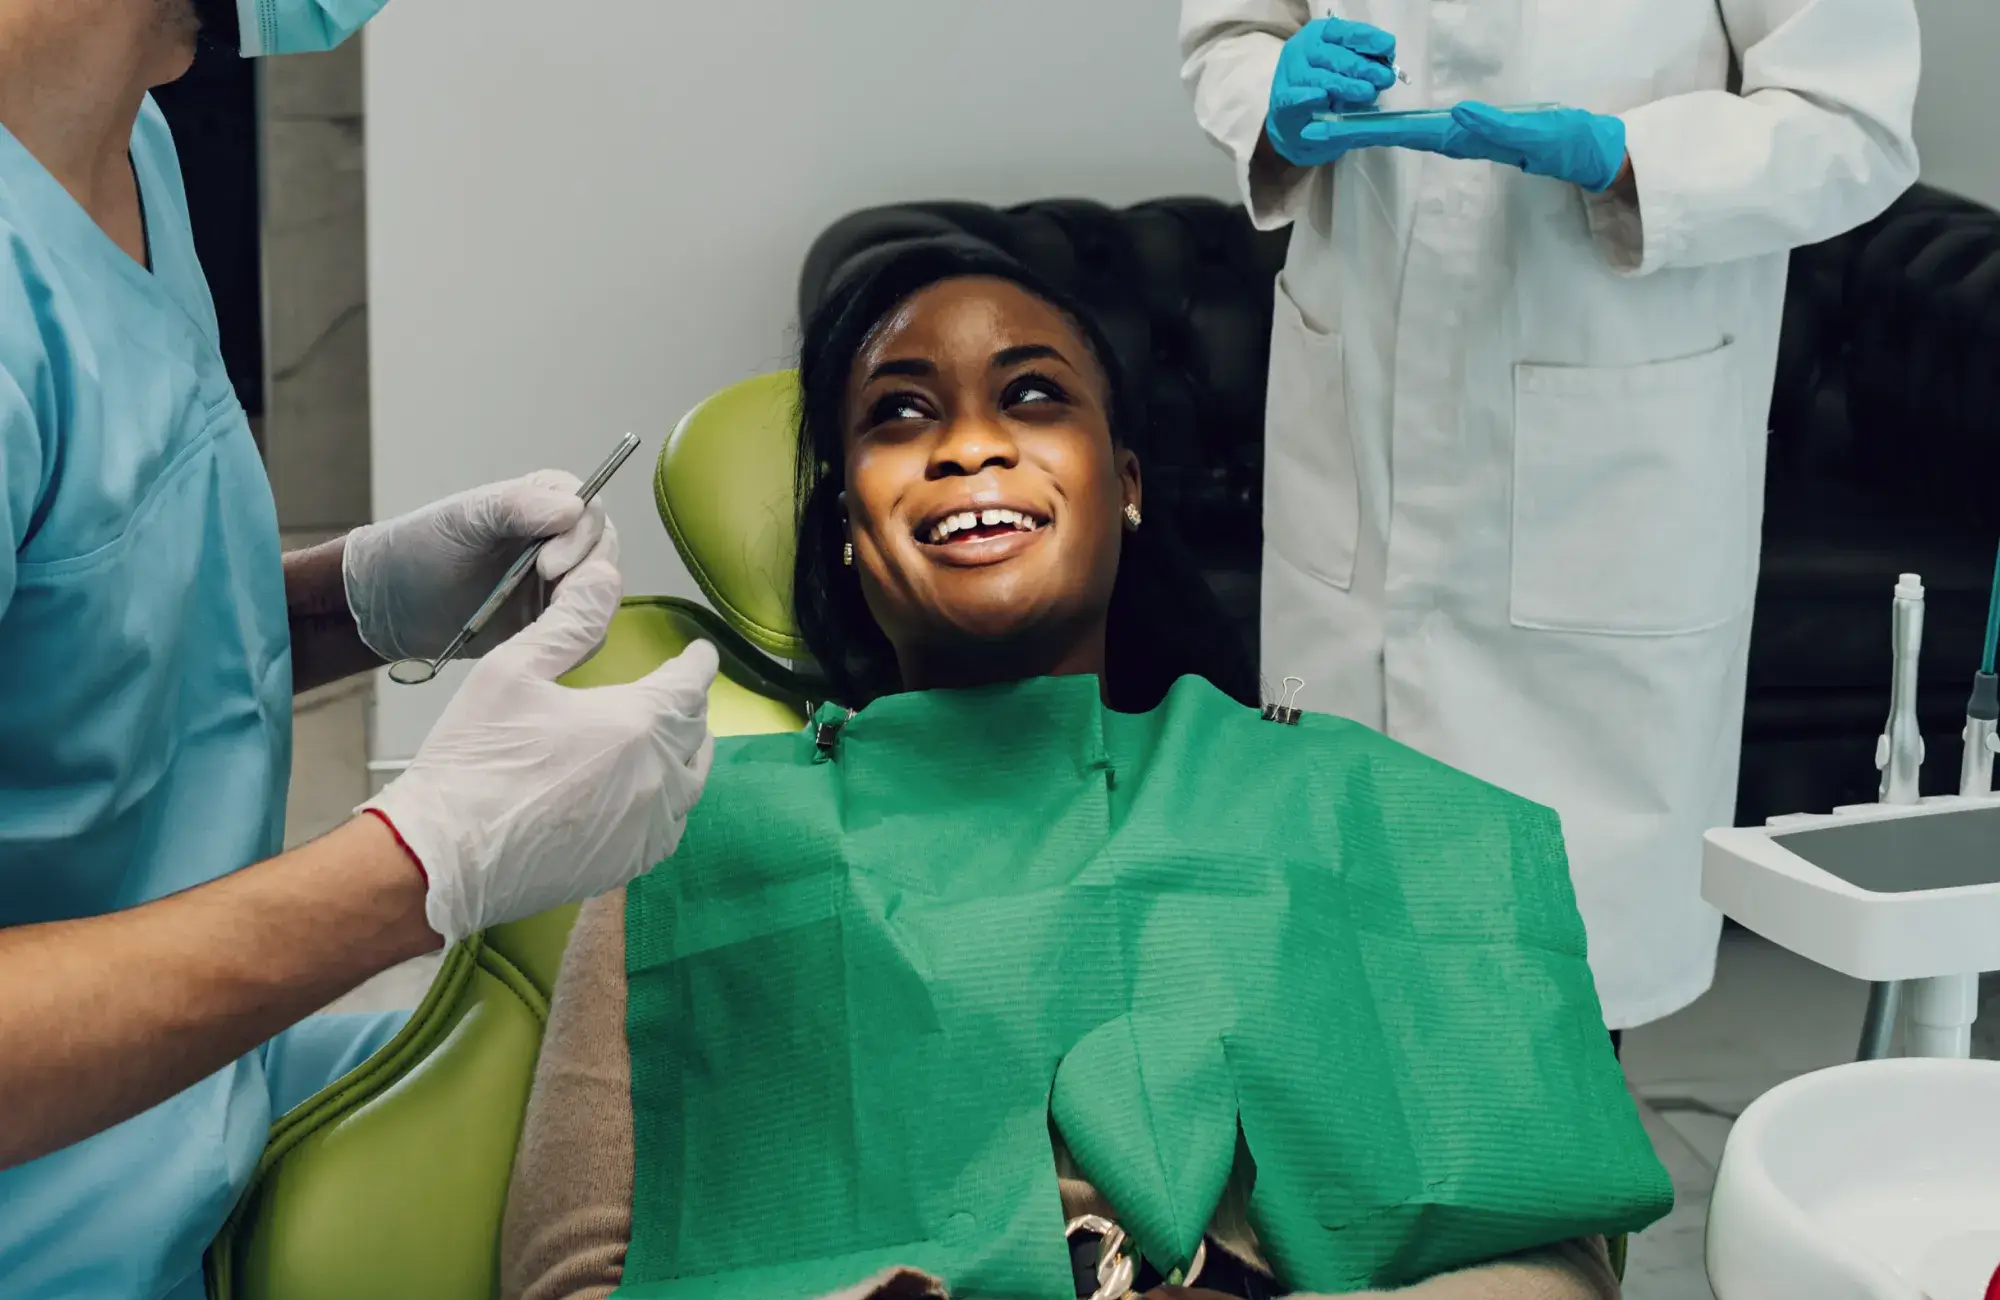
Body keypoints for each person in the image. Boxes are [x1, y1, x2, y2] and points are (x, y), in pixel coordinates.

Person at [497, 240, 1671, 1300]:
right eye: (899, 415)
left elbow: (1549, 1262)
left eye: (1031, 396)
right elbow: (575, 1280)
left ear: (1124, 482)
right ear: (847, 529)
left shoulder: (1347, 807)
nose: (968, 443)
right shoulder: (698, 846)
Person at [0, 2, 718, 1296]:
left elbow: (55, 658)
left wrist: (358, 602)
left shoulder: (120, 137)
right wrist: (421, 862)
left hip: (187, 1126)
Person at [1178, 1, 1921, 1036]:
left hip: (1606, 484)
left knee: (1548, 1022)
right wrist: (1273, 101)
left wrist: (1631, 160)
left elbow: (1856, 121)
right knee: (1341, 994)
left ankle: (1558, 1188)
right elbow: (1228, 34)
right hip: (1357, 457)